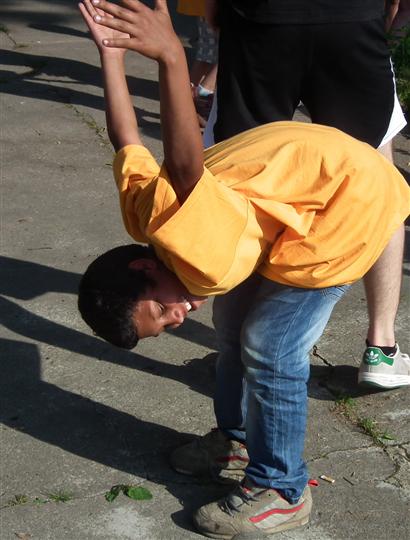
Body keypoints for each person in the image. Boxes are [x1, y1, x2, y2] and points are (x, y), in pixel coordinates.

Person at [77, 1, 410, 537]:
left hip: (349, 204)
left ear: (143, 266)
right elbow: (125, 137)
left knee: (270, 345)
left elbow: (184, 161)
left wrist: (171, 56)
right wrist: (111, 54)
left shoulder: (195, 254)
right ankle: (236, 441)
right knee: (231, 326)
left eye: (161, 310)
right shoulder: (141, 210)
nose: (179, 318)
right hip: (310, 184)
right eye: (168, 326)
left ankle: (282, 489)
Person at [203, 0, 409, 390]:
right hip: (351, 16)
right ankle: (381, 347)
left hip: (262, 18)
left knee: (248, 176)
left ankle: (239, 351)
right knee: (374, 174)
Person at [177, 0, 218, 128]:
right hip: (220, 7)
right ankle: (204, 94)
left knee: (205, 56)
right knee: (230, 51)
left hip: (203, 7)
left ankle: (181, 103)